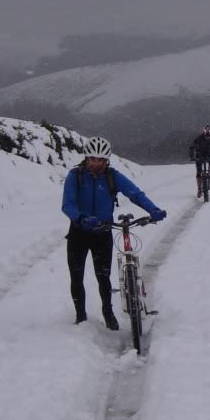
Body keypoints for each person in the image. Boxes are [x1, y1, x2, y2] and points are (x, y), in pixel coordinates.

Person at [61, 136, 167, 329]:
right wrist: (81, 218)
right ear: (86, 158)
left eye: (101, 160)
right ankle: (80, 316)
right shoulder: (75, 176)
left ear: (107, 160)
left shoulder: (112, 176)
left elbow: (135, 194)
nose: (97, 164)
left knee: (104, 278)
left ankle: (108, 312)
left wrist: (153, 210)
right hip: (79, 232)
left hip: (103, 233)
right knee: (76, 277)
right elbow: (68, 204)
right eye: (93, 159)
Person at [189, 124, 210, 198]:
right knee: (199, 172)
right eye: (206, 135)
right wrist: (192, 156)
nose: (207, 137)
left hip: (208, 153)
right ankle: (199, 189)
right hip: (199, 154)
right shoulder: (199, 138)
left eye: (209, 135)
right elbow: (192, 146)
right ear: (204, 132)